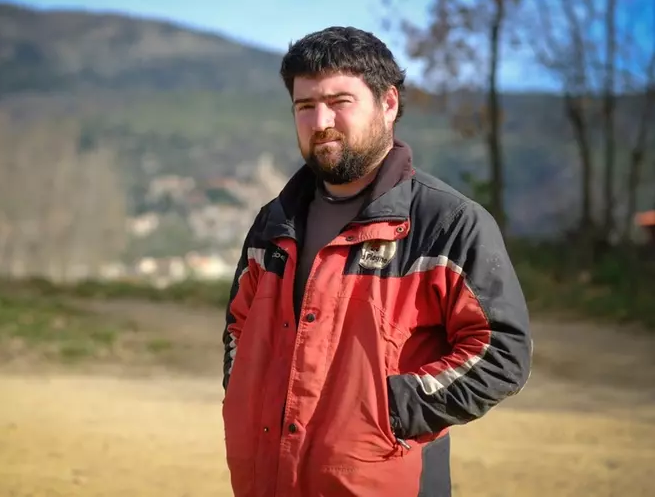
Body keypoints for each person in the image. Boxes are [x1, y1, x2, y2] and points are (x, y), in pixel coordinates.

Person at [220, 26, 533, 497]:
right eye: (305, 106)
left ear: (388, 104)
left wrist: (386, 411)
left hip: (384, 481)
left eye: (339, 101)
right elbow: (237, 332)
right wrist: (246, 398)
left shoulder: (447, 223)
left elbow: (502, 353)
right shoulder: (274, 222)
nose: (321, 120)